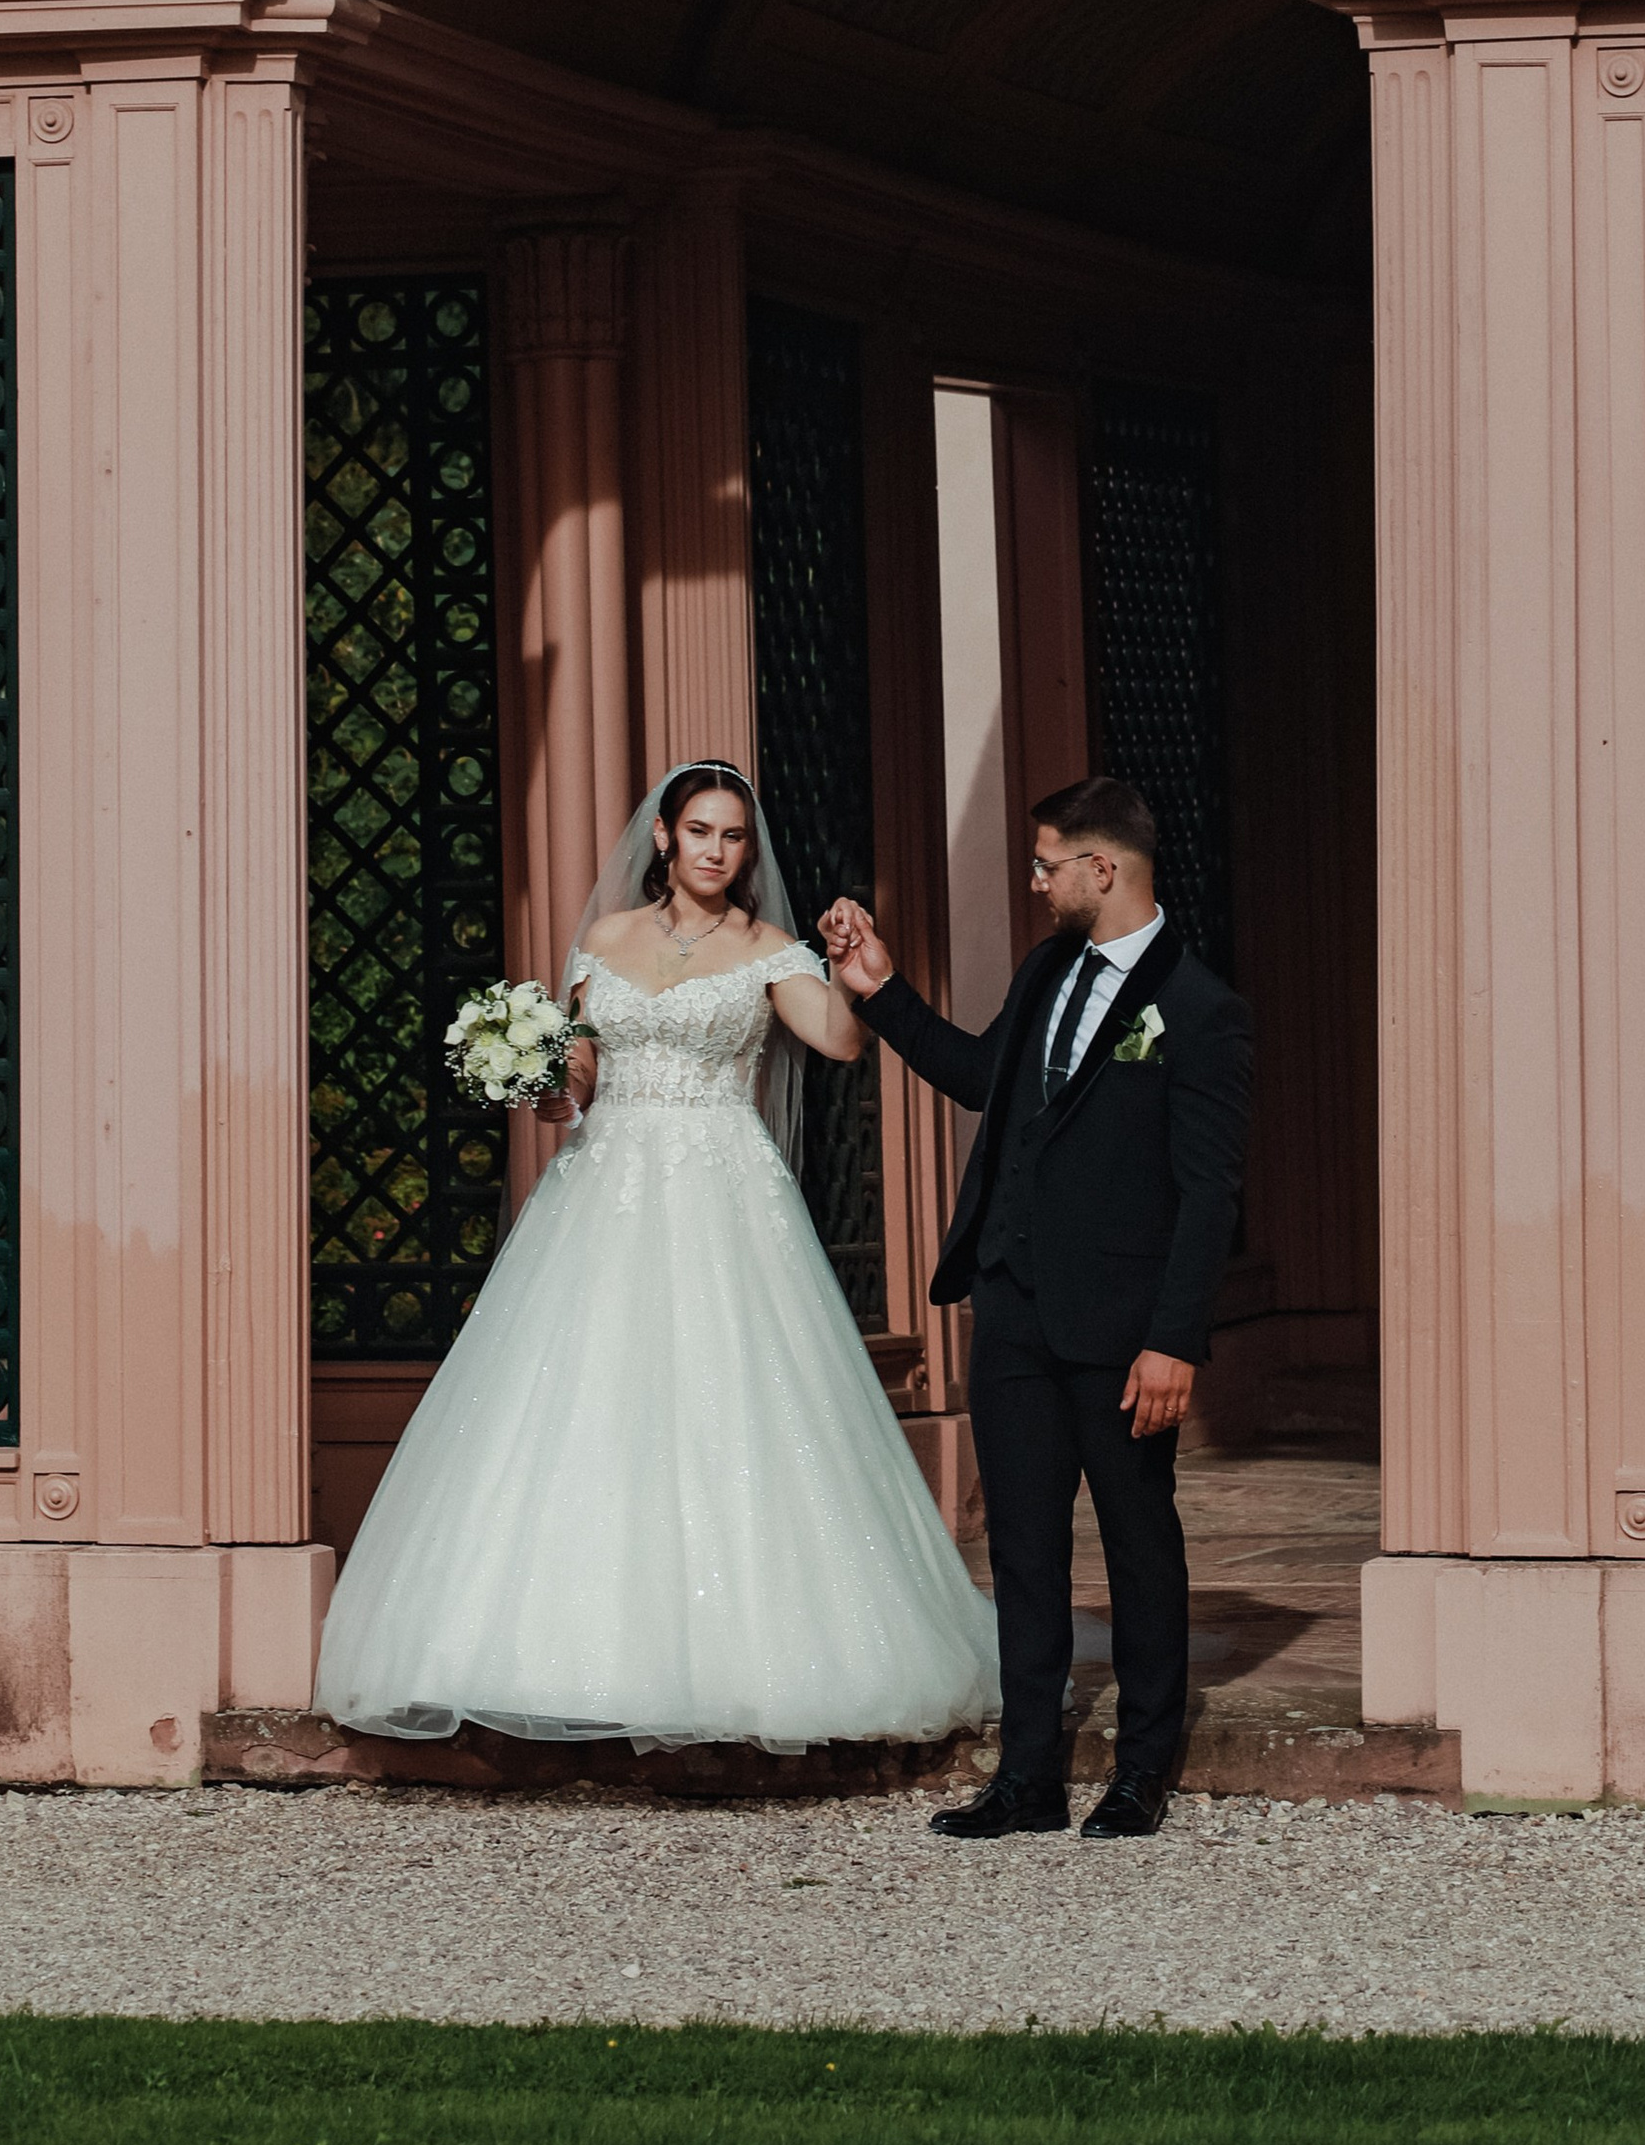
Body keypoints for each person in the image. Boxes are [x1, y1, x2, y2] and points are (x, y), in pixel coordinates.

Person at [311, 761, 1001, 1753]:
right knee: (583, 1399)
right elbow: (584, 1064)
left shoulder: (768, 949)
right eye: (701, 831)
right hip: (603, 1190)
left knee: (728, 1403)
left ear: (746, 852)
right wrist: (548, 1083)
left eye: (734, 836)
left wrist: (858, 974)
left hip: (723, 1193)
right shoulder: (605, 939)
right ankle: (554, 1654)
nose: (716, 850)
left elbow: (837, 1043)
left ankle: (741, 1658)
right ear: (666, 838)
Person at [823, 776, 1252, 1839]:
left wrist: (1172, 1340)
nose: (1034, 881)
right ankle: (1026, 1779)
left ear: (1103, 869)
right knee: (1022, 1547)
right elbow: (984, 1077)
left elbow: (1209, 1194)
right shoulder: (1046, 969)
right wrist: (881, 993)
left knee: (1138, 1544)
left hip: (1123, 1329)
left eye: (1046, 864)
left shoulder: (1199, 1008)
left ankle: (1140, 1771)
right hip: (1012, 1308)